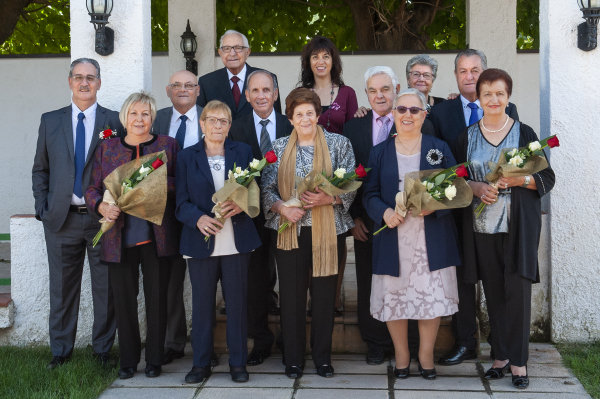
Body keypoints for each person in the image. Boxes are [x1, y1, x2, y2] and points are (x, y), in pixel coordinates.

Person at [453, 69, 555, 388]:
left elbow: (546, 178)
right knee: (494, 292)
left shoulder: (524, 133)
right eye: (487, 94)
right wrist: (475, 186)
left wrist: (520, 180)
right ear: (479, 98)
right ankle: (500, 357)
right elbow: (455, 177)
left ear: (508, 97)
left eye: (499, 93)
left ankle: (520, 363)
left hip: (518, 226)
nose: (493, 99)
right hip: (481, 226)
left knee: (518, 292)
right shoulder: (466, 136)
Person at [363, 88, 460, 380]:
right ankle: (402, 356)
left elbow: (454, 189)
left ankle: (426, 356)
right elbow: (369, 194)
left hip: (430, 237)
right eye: (402, 109)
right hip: (393, 236)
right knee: (396, 300)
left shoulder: (438, 148)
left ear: (424, 114)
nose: (407, 115)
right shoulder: (379, 151)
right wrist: (384, 213)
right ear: (393, 113)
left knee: (429, 300)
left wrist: (435, 207)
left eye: (414, 110)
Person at [431, 49, 519, 366]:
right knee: (464, 280)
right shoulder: (440, 114)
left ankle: (502, 346)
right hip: (457, 214)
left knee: (500, 280)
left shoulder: (509, 109)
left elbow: (514, 157)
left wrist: (496, 185)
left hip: (499, 213)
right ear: (455, 76)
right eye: (463, 70)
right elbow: (440, 164)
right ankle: (466, 341)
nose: (469, 76)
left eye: (475, 70)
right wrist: (471, 187)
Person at [32, 58, 122, 370]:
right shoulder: (51, 121)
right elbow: (40, 170)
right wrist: (42, 208)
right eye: (79, 77)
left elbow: (122, 169)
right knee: (61, 289)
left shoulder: (114, 121)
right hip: (61, 219)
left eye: (91, 78)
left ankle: (102, 351)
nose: (85, 83)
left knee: (106, 289)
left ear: (99, 82)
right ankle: (60, 352)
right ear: (70, 81)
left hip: (102, 221)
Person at [261, 88, 356, 379]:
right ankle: (293, 359)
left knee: (325, 296)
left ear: (318, 115)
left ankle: (323, 359)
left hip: (329, 232)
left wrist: (331, 198)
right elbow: (266, 188)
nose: (305, 118)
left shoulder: (339, 143)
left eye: (310, 113)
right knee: (291, 297)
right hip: (290, 231)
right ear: (290, 118)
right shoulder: (276, 148)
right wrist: (281, 208)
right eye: (298, 114)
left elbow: (351, 180)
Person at [85, 92, 180, 380]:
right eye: (134, 114)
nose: (139, 119)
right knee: (123, 300)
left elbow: (180, 183)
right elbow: (92, 189)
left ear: (153, 118)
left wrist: (155, 183)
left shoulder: (167, 146)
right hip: (118, 238)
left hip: (157, 237)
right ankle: (128, 361)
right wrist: (101, 205)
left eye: (146, 114)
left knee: (157, 300)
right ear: (125, 117)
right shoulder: (108, 148)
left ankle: (154, 360)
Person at [176, 100, 261, 384]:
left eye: (223, 121)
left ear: (229, 126)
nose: (217, 126)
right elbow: (180, 203)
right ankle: (201, 363)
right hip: (201, 240)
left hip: (236, 241)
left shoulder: (244, 151)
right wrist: (199, 219)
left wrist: (242, 204)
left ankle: (238, 363)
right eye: (211, 120)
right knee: (201, 306)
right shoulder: (186, 157)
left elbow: (253, 190)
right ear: (201, 124)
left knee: (237, 304)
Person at [229, 70, 293, 366]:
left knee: (290, 277)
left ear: (276, 94)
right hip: (251, 215)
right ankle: (261, 340)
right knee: (254, 281)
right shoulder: (236, 127)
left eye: (266, 89)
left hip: (288, 213)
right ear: (247, 95)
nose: (261, 95)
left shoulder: (290, 124)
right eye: (254, 90)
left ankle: (290, 340)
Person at [343, 66, 400, 365]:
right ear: (366, 94)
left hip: (404, 219)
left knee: (400, 281)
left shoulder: (409, 121)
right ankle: (375, 342)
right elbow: (345, 176)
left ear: (396, 89)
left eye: (385, 89)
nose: (380, 95)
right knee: (369, 281)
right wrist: (353, 218)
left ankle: (404, 343)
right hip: (366, 221)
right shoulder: (354, 129)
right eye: (373, 90)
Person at [299, 35, 358, 315]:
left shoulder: (346, 93)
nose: (320, 62)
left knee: (337, 235)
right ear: (308, 62)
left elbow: (353, 129)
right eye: (315, 57)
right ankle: (312, 298)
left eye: (325, 56)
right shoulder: (301, 91)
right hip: (308, 169)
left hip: (338, 171)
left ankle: (333, 298)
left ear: (333, 61)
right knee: (309, 238)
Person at [151, 70, 204, 366]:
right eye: (177, 86)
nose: (183, 89)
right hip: (164, 212)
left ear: (197, 91)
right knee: (169, 280)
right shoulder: (155, 118)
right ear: (168, 91)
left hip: (202, 212)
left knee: (206, 278)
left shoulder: (212, 117)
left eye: (189, 85)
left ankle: (204, 341)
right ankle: (173, 342)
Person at [196, 30, 282, 120]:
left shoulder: (268, 78)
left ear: (247, 52)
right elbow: (201, 120)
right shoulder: (206, 82)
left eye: (238, 48)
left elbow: (277, 119)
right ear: (220, 53)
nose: (232, 53)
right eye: (226, 48)